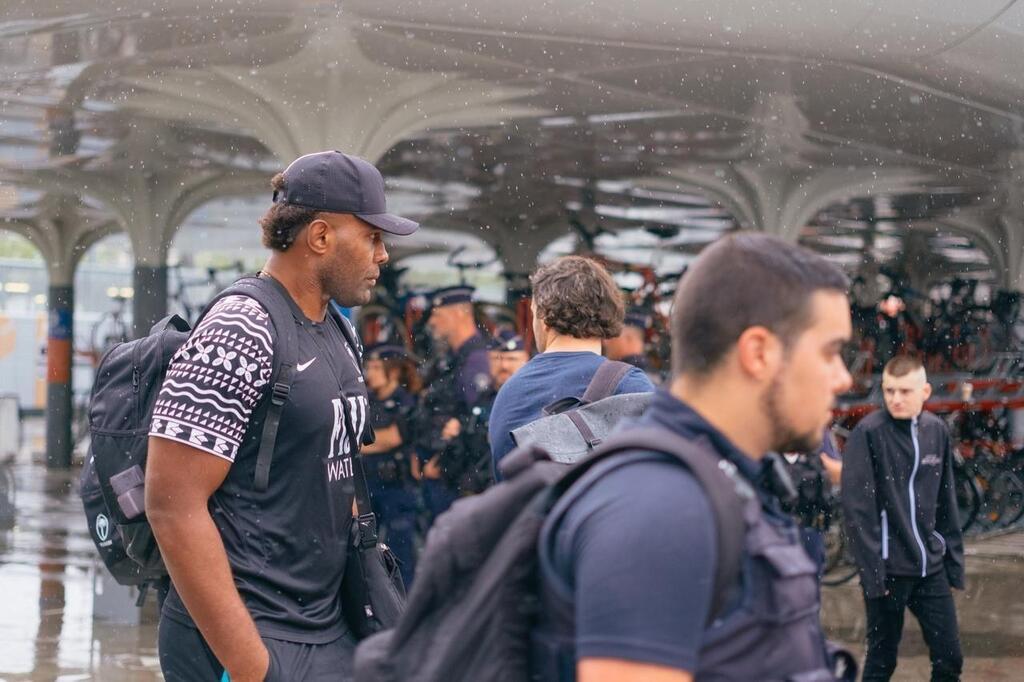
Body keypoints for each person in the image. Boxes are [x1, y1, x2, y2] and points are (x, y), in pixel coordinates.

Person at [145, 150, 417, 682]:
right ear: (320, 237)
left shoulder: (338, 331)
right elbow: (171, 503)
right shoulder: (240, 328)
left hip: (325, 627)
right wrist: (251, 665)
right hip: (252, 633)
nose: (383, 256)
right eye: (373, 238)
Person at [533, 233, 854, 681]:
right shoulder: (661, 508)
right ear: (758, 353)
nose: (842, 378)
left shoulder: (712, 480)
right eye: (831, 352)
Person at [841, 354, 964, 682]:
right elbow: (857, 510)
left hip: (929, 568)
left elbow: (945, 502)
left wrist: (952, 561)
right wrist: (872, 572)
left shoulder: (936, 431)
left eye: (905, 391)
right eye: (889, 390)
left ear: (925, 392)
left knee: (950, 657)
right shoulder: (868, 433)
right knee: (882, 661)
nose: (895, 399)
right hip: (888, 570)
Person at [489, 256, 653, 476]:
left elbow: (505, 480)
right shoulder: (632, 385)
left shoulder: (511, 393)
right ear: (608, 314)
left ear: (544, 317)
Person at [415, 285, 492, 520]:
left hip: (455, 481)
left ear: (460, 312)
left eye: (438, 313)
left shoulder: (476, 360)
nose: (432, 322)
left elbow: (475, 425)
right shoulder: (454, 358)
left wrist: (443, 461)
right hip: (443, 478)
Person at [361, 344, 421, 587]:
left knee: (401, 550)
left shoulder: (404, 401)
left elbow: (393, 437)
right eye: (369, 366)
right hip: (369, 484)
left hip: (397, 487)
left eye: (376, 367)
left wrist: (358, 445)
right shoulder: (367, 398)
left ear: (393, 372)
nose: (369, 373)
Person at [604, 306, 651, 371]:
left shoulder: (623, 375)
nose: (605, 341)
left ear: (629, 339)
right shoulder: (647, 374)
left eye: (611, 335)